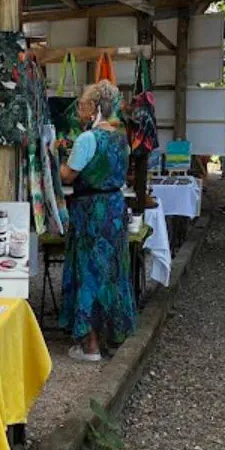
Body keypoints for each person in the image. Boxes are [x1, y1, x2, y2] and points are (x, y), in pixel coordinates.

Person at [60, 81, 135, 362]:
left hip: (91, 210)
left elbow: (68, 175)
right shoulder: (120, 137)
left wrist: (54, 163)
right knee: (113, 271)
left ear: (93, 108)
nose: (79, 110)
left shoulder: (87, 139)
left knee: (89, 270)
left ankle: (90, 345)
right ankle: (114, 337)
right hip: (114, 208)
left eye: (82, 105)